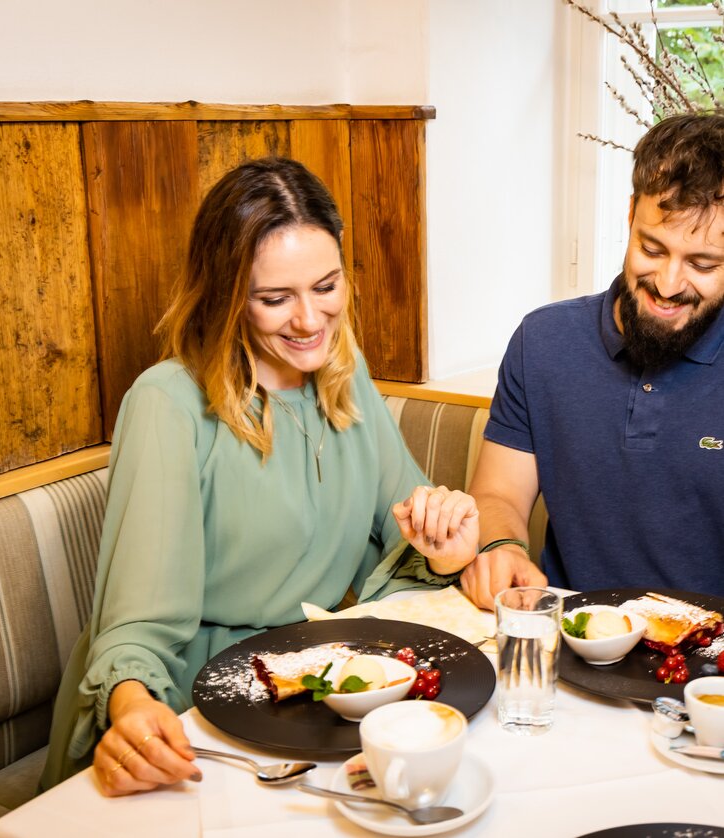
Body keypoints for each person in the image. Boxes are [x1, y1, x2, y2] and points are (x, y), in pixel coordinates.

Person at [39, 157, 480, 795]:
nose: (308, 321)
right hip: (203, 700)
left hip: (316, 691)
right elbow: (136, 625)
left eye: (326, 287)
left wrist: (446, 549)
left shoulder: (344, 375)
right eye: (275, 299)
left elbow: (405, 533)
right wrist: (132, 708)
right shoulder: (168, 403)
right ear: (226, 297)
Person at [460, 112, 724, 610]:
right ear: (629, 217)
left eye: (702, 264)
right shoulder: (543, 341)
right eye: (651, 248)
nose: (667, 285)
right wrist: (501, 546)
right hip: (571, 642)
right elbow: (498, 496)